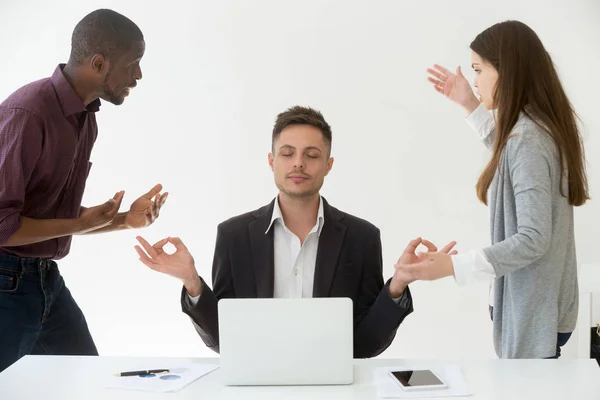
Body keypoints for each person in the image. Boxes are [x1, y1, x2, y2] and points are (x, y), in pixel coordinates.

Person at [135, 105, 456, 358]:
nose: (298, 163)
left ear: (328, 165)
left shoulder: (362, 237)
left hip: (336, 388)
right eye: (287, 154)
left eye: (312, 155)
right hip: (256, 386)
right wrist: (192, 283)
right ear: (272, 161)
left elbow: (367, 344)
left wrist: (398, 285)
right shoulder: (233, 235)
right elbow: (224, 340)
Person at [397, 20, 590, 359]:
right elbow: (507, 154)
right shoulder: (534, 130)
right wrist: (469, 103)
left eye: (478, 69)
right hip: (539, 308)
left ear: (507, 70)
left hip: (533, 313)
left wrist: (454, 267)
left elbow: (533, 238)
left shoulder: (528, 139)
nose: (474, 80)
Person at [0, 9, 168, 372]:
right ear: (98, 62)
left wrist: (125, 221)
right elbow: (3, 225)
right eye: (133, 63)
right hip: (6, 283)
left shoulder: (85, 119)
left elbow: (52, 221)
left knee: (87, 382)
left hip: (44, 279)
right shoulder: (27, 112)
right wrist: (80, 224)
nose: (138, 75)